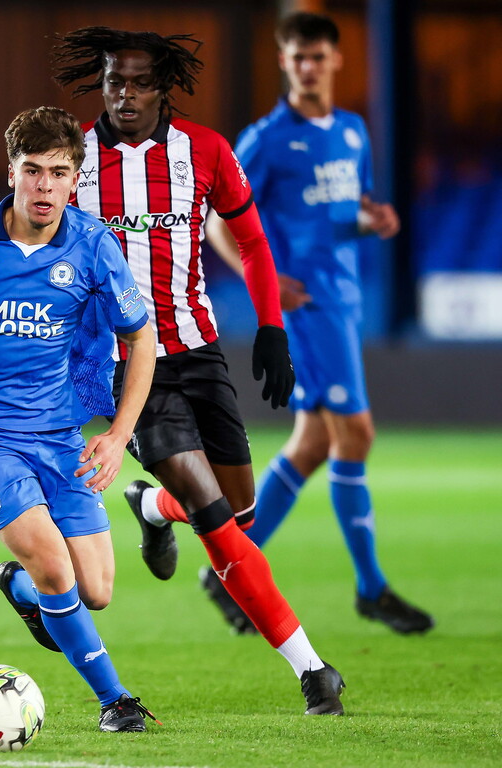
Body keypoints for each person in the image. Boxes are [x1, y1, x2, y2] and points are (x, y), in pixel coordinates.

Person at [52, 26, 345, 715]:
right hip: (127, 366)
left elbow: (252, 240)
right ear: (102, 85)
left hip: (198, 350)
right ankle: (312, 669)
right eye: (114, 81)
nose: (125, 94)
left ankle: (152, 506)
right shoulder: (72, 160)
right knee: (217, 524)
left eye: (140, 82)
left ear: (164, 88)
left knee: (238, 512)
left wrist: (271, 326)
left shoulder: (205, 151)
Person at [0, 106, 160, 732]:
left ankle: (18, 587)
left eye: (59, 173)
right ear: (11, 172)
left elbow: (142, 337)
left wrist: (119, 434)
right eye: (33, 170)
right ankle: (116, 700)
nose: (45, 186)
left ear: (75, 179)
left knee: (95, 589)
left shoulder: (93, 246)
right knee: (55, 565)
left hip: (58, 436)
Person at [203, 12, 433, 635]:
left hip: (344, 299)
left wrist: (371, 220)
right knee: (356, 434)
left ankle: (227, 570)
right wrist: (266, 281)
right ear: (285, 62)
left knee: (312, 445)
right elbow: (217, 220)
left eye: (318, 57)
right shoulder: (266, 139)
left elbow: (341, 211)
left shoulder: (353, 132)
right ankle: (371, 588)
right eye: (297, 57)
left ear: (335, 61)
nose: (308, 67)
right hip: (306, 307)